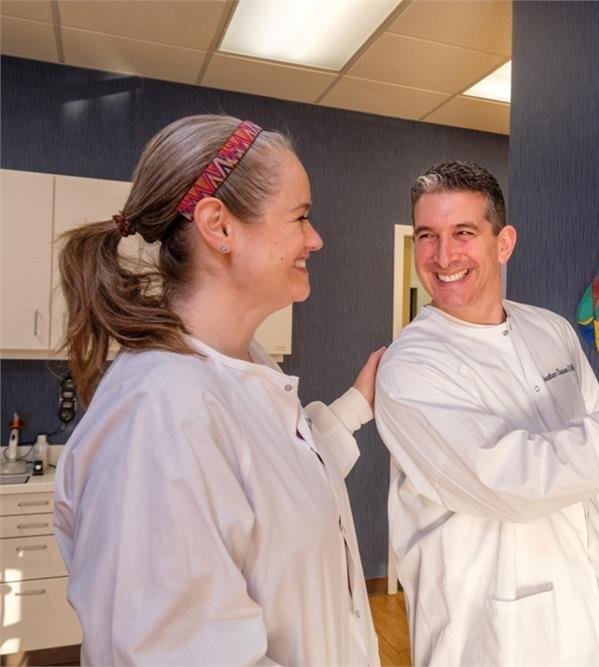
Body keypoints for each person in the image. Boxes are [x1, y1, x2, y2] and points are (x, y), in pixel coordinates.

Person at [53, 115, 383, 666]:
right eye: (301, 217)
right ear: (219, 226)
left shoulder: (239, 366)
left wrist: (356, 405)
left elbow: (270, 484)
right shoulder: (158, 414)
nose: (315, 238)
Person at [374, 161, 599, 665]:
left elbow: (597, 457)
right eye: (428, 236)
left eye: (463, 232)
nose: (443, 255)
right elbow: (516, 480)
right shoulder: (412, 368)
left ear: (504, 242)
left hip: (590, 603)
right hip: (489, 636)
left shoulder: (551, 330)